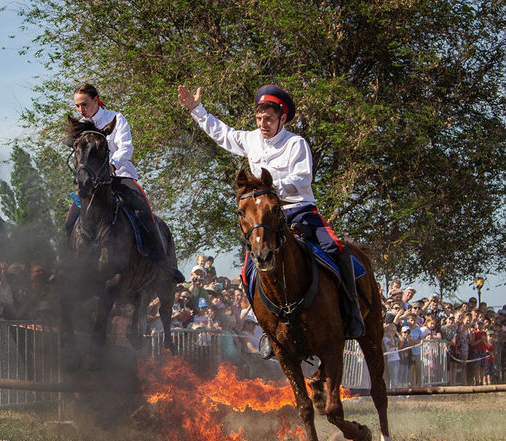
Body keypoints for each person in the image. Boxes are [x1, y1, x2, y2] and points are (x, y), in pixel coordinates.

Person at [177, 83, 364, 351]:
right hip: (267, 217)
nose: (263, 124)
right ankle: (267, 328)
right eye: (259, 118)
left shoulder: (296, 143)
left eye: (269, 119)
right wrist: (196, 109)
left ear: (282, 118)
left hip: (298, 208)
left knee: (335, 246)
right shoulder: (251, 139)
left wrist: (270, 187)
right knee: (246, 270)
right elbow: (223, 134)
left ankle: (352, 313)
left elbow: (303, 178)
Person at [66, 83, 184, 283]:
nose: (81, 110)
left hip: (119, 176)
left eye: (84, 104)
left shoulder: (116, 118)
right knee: (70, 220)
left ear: (96, 100)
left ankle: (162, 263)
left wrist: (111, 165)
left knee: (143, 211)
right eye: (77, 106)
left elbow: (126, 147)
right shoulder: (80, 124)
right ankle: (67, 267)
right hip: (91, 184)